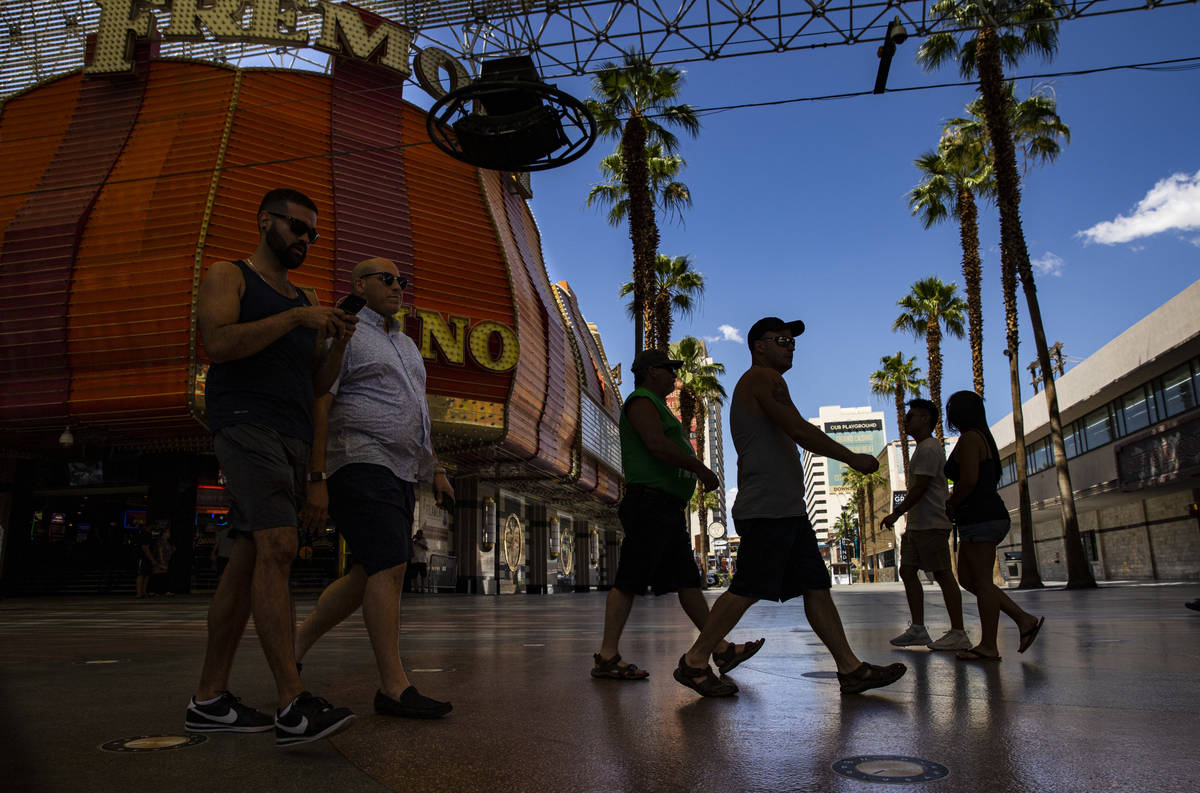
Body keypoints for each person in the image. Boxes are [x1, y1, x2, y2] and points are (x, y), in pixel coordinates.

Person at [185, 188, 358, 747]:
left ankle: (209, 699)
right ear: (265, 222)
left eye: (312, 233)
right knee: (280, 546)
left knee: (248, 561)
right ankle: (291, 703)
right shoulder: (229, 274)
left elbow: (316, 386)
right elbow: (217, 342)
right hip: (243, 422)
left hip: (291, 434)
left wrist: (335, 344)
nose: (304, 239)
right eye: (296, 228)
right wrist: (294, 318)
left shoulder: (304, 296)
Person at [676, 318, 907, 697]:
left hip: (787, 509)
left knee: (816, 587)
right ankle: (695, 660)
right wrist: (850, 457)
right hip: (768, 508)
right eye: (781, 340)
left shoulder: (766, 382)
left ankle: (850, 669)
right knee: (746, 589)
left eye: (793, 341)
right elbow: (799, 429)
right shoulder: (762, 380)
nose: (790, 346)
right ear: (758, 346)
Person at [294, 257, 454, 720]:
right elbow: (321, 400)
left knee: (370, 570)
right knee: (390, 565)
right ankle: (393, 686)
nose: (397, 287)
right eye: (386, 279)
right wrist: (317, 477)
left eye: (401, 280)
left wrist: (436, 467)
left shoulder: (404, 343)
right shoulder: (345, 332)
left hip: (402, 469)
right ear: (359, 284)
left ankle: (295, 644)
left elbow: (418, 415)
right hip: (358, 460)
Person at [592, 348, 764, 688]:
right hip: (650, 505)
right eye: (669, 370)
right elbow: (656, 444)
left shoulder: (653, 402)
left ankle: (723, 649)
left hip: (665, 508)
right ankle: (607, 655)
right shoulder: (641, 400)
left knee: (688, 583)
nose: (674, 376)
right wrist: (699, 468)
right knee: (628, 580)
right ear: (651, 371)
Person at [943, 390, 1044, 661]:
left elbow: (969, 481)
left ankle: (989, 645)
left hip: (981, 517)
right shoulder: (980, 437)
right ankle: (1023, 619)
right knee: (967, 578)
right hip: (979, 518)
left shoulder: (970, 439)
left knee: (983, 582)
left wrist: (952, 503)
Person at [881, 399, 971, 651]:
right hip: (919, 525)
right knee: (907, 571)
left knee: (942, 574)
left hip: (932, 523)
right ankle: (919, 629)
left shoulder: (930, 448)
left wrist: (897, 512)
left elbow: (920, 487)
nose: (905, 420)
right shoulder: (922, 448)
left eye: (910, 416)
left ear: (925, 419)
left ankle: (958, 631)